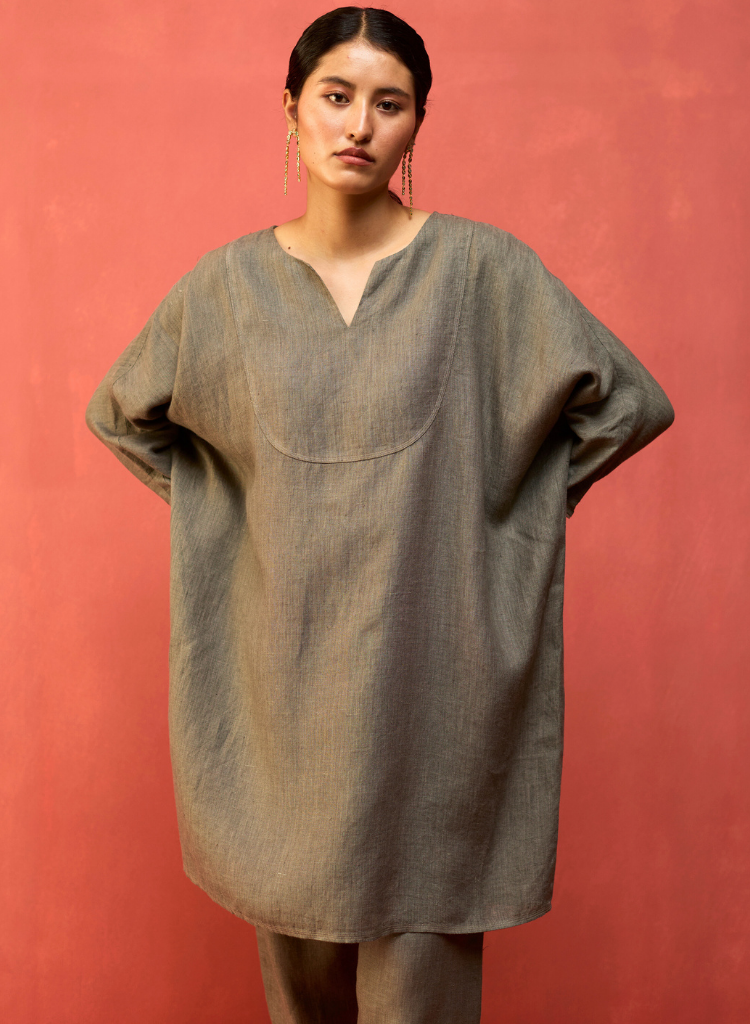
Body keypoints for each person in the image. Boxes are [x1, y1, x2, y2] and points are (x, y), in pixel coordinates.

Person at [84, 6, 675, 1022]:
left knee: (421, 991)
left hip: (436, 699)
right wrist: (235, 523)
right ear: (291, 109)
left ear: (417, 126)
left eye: (389, 104)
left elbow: (628, 403)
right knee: (301, 996)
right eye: (336, 95)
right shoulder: (226, 289)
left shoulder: (484, 272)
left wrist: (505, 516)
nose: (359, 124)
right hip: (280, 712)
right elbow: (122, 412)